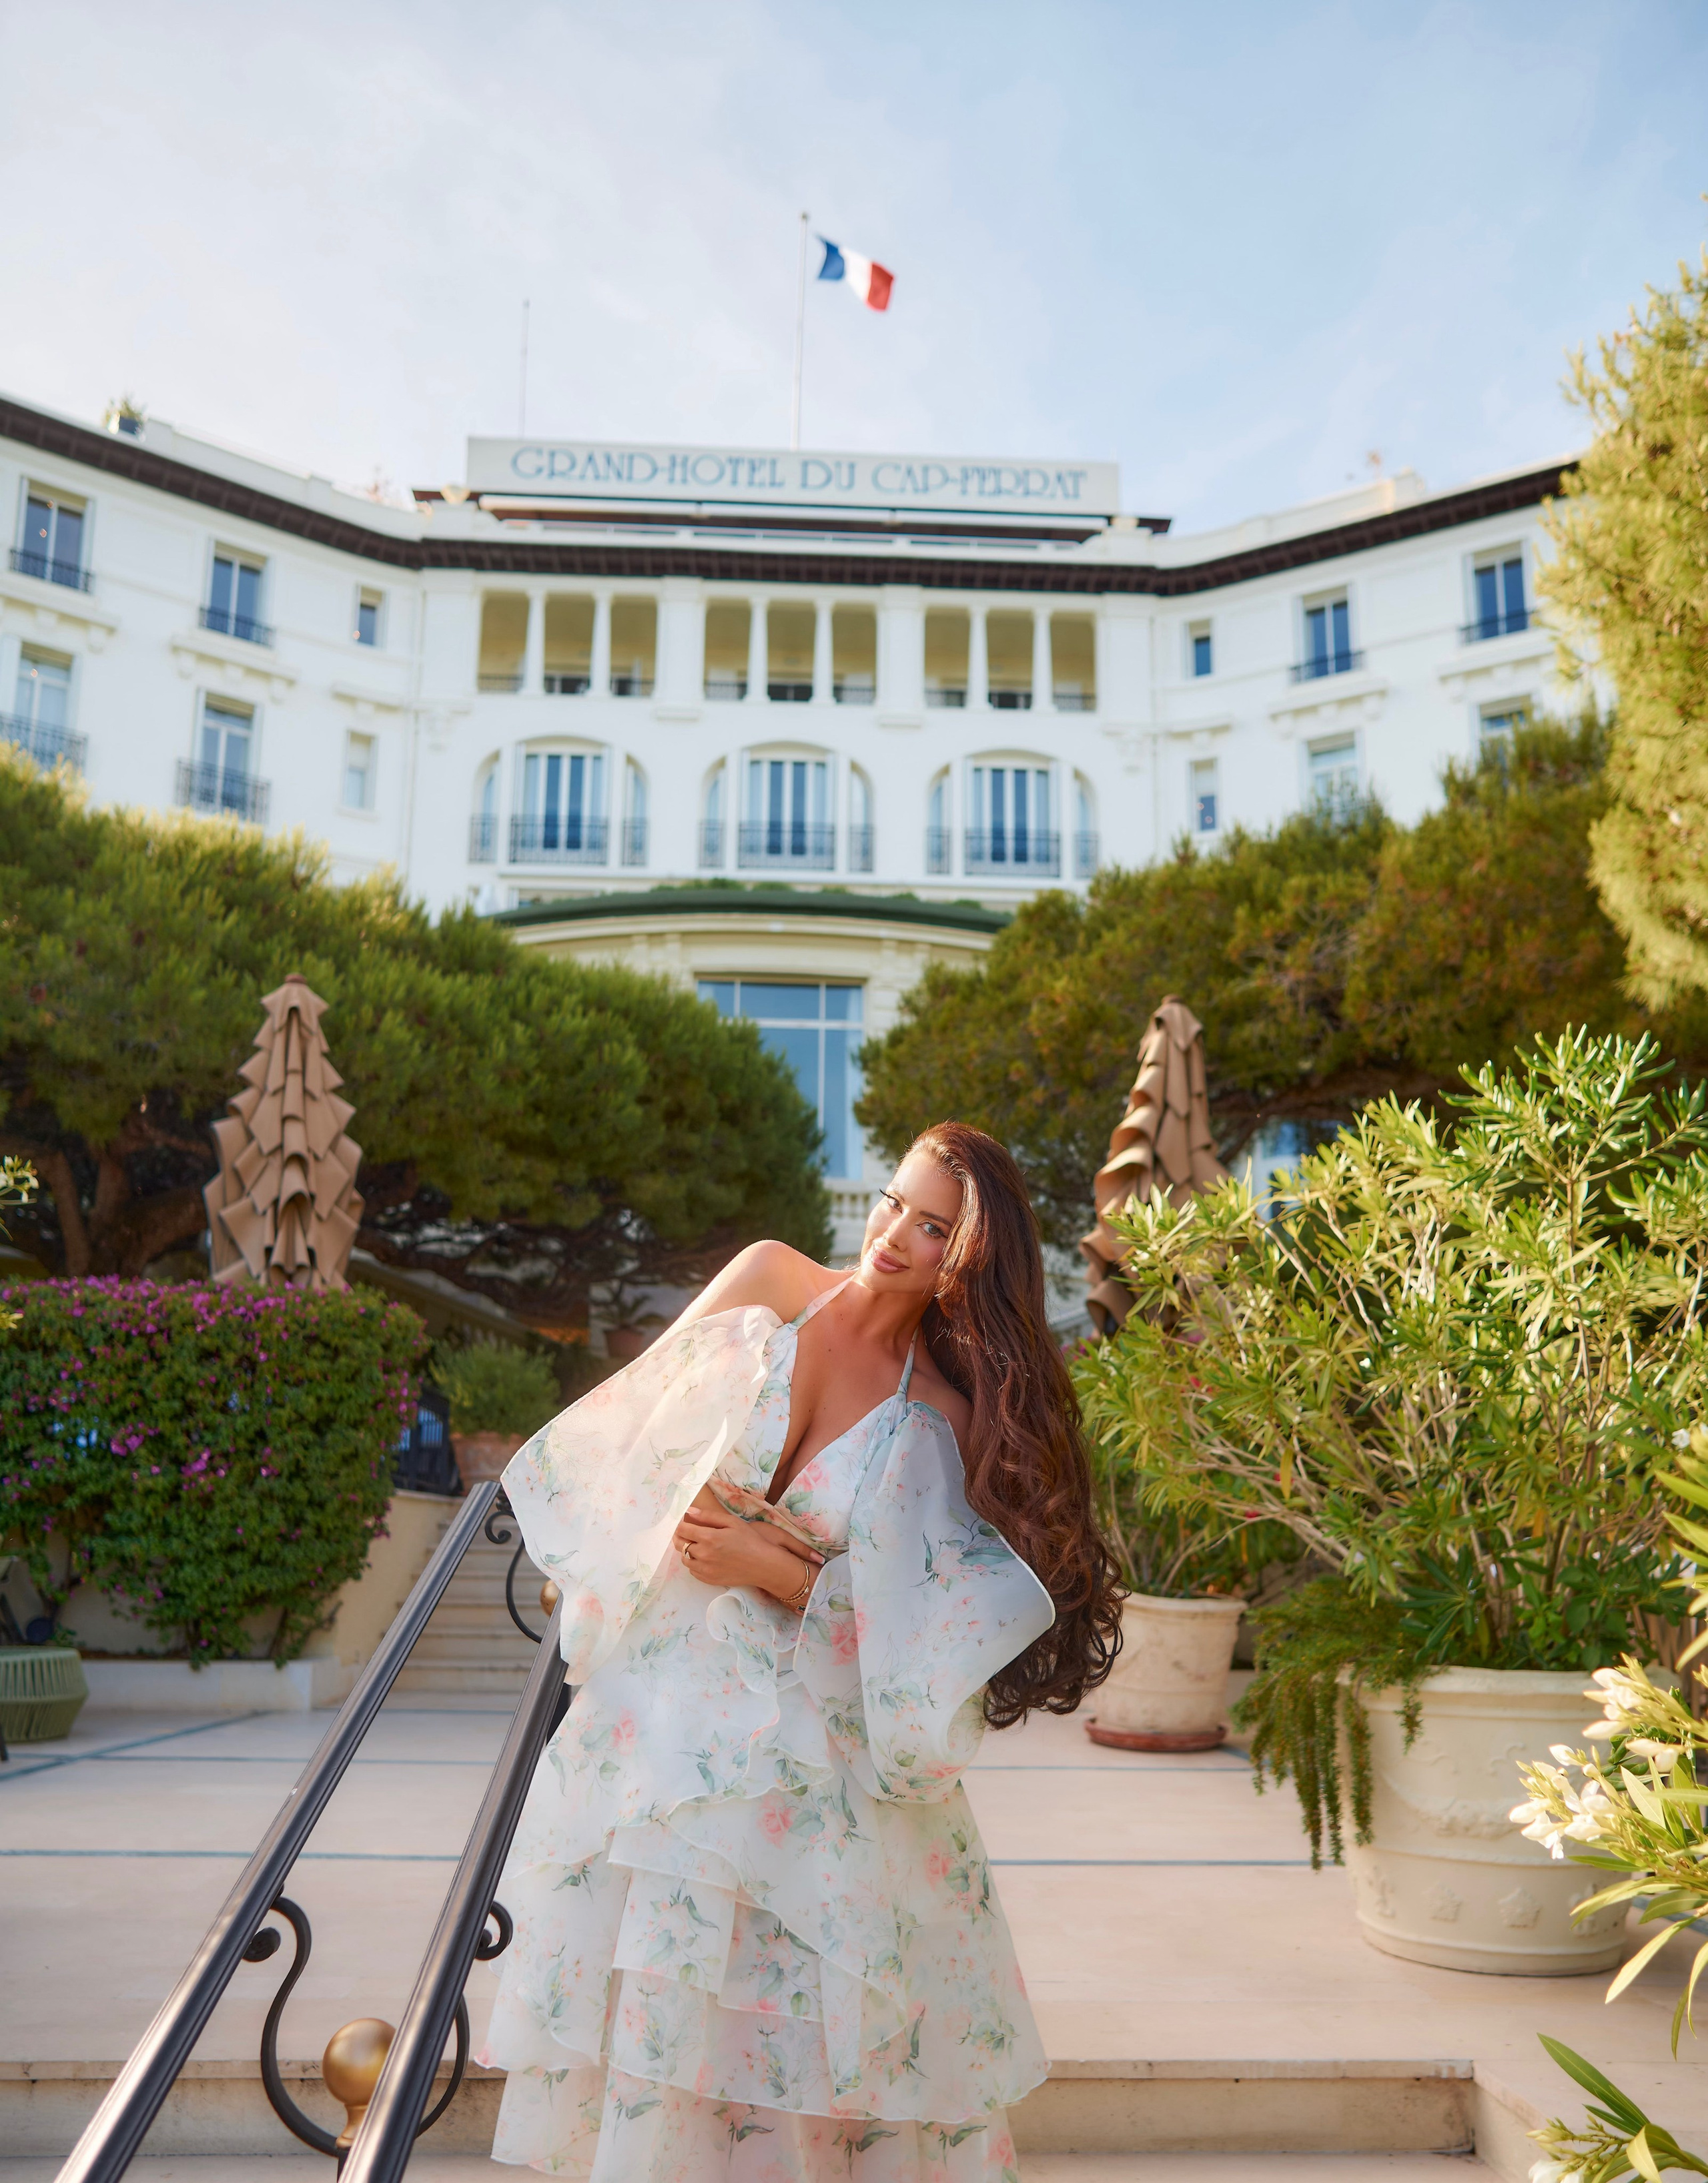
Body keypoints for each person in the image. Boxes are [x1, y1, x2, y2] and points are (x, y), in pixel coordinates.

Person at [480, 1121, 1122, 2180]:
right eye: (893, 1203)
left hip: (818, 1760)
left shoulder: (945, 1416)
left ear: (966, 1261)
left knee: (811, 2046)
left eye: (932, 1229)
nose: (894, 1236)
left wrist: (775, 1564)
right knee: (661, 2022)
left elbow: (929, 1633)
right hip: (665, 1744)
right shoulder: (771, 1279)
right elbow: (627, 1438)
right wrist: (721, 1528)